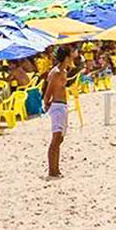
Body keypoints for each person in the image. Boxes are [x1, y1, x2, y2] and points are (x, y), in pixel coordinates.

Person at [44, 47, 71, 178]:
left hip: (62, 106)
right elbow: (48, 92)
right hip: (57, 107)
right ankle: (52, 170)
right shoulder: (56, 73)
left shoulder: (63, 71)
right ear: (66, 57)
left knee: (59, 139)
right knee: (56, 139)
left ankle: (56, 168)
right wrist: (47, 104)